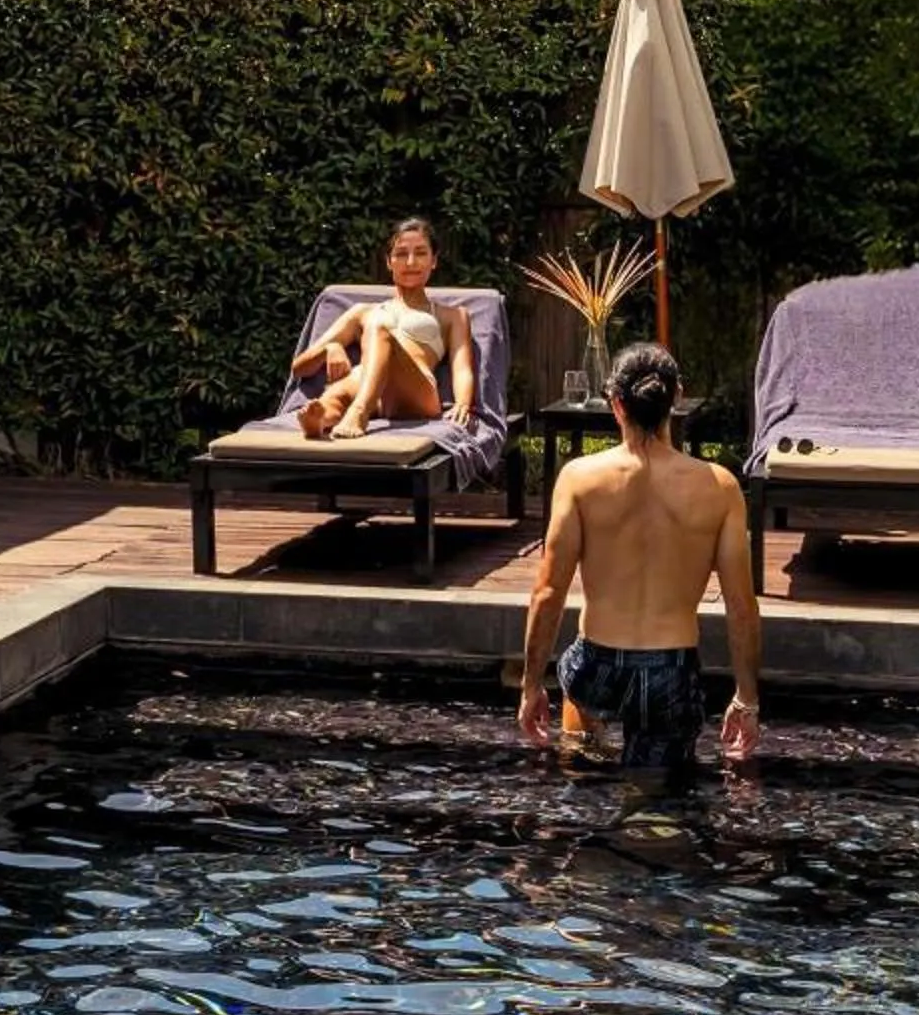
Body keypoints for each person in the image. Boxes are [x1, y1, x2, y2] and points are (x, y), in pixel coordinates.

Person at [516, 343, 760, 781]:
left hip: (597, 668)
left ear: (616, 404)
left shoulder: (579, 478)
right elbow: (741, 606)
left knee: (584, 769)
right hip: (671, 672)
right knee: (655, 803)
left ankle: (585, 765)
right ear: (677, 398)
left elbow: (548, 592)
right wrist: (746, 697)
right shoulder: (719, 488)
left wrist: (532, 685)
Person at [296, 218, 479, 441]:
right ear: (389, 262)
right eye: (401, 254)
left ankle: (359, 412)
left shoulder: (452, 315)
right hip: (362, 383)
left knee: (379, 327)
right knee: (333, 398)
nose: (411, 262)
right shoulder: (361, 311)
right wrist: (330, 348)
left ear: (434, 261)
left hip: (413, 392)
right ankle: (320, 421)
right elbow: (299, 367)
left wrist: (463, 403)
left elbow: (462, 368)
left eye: (421, 253)